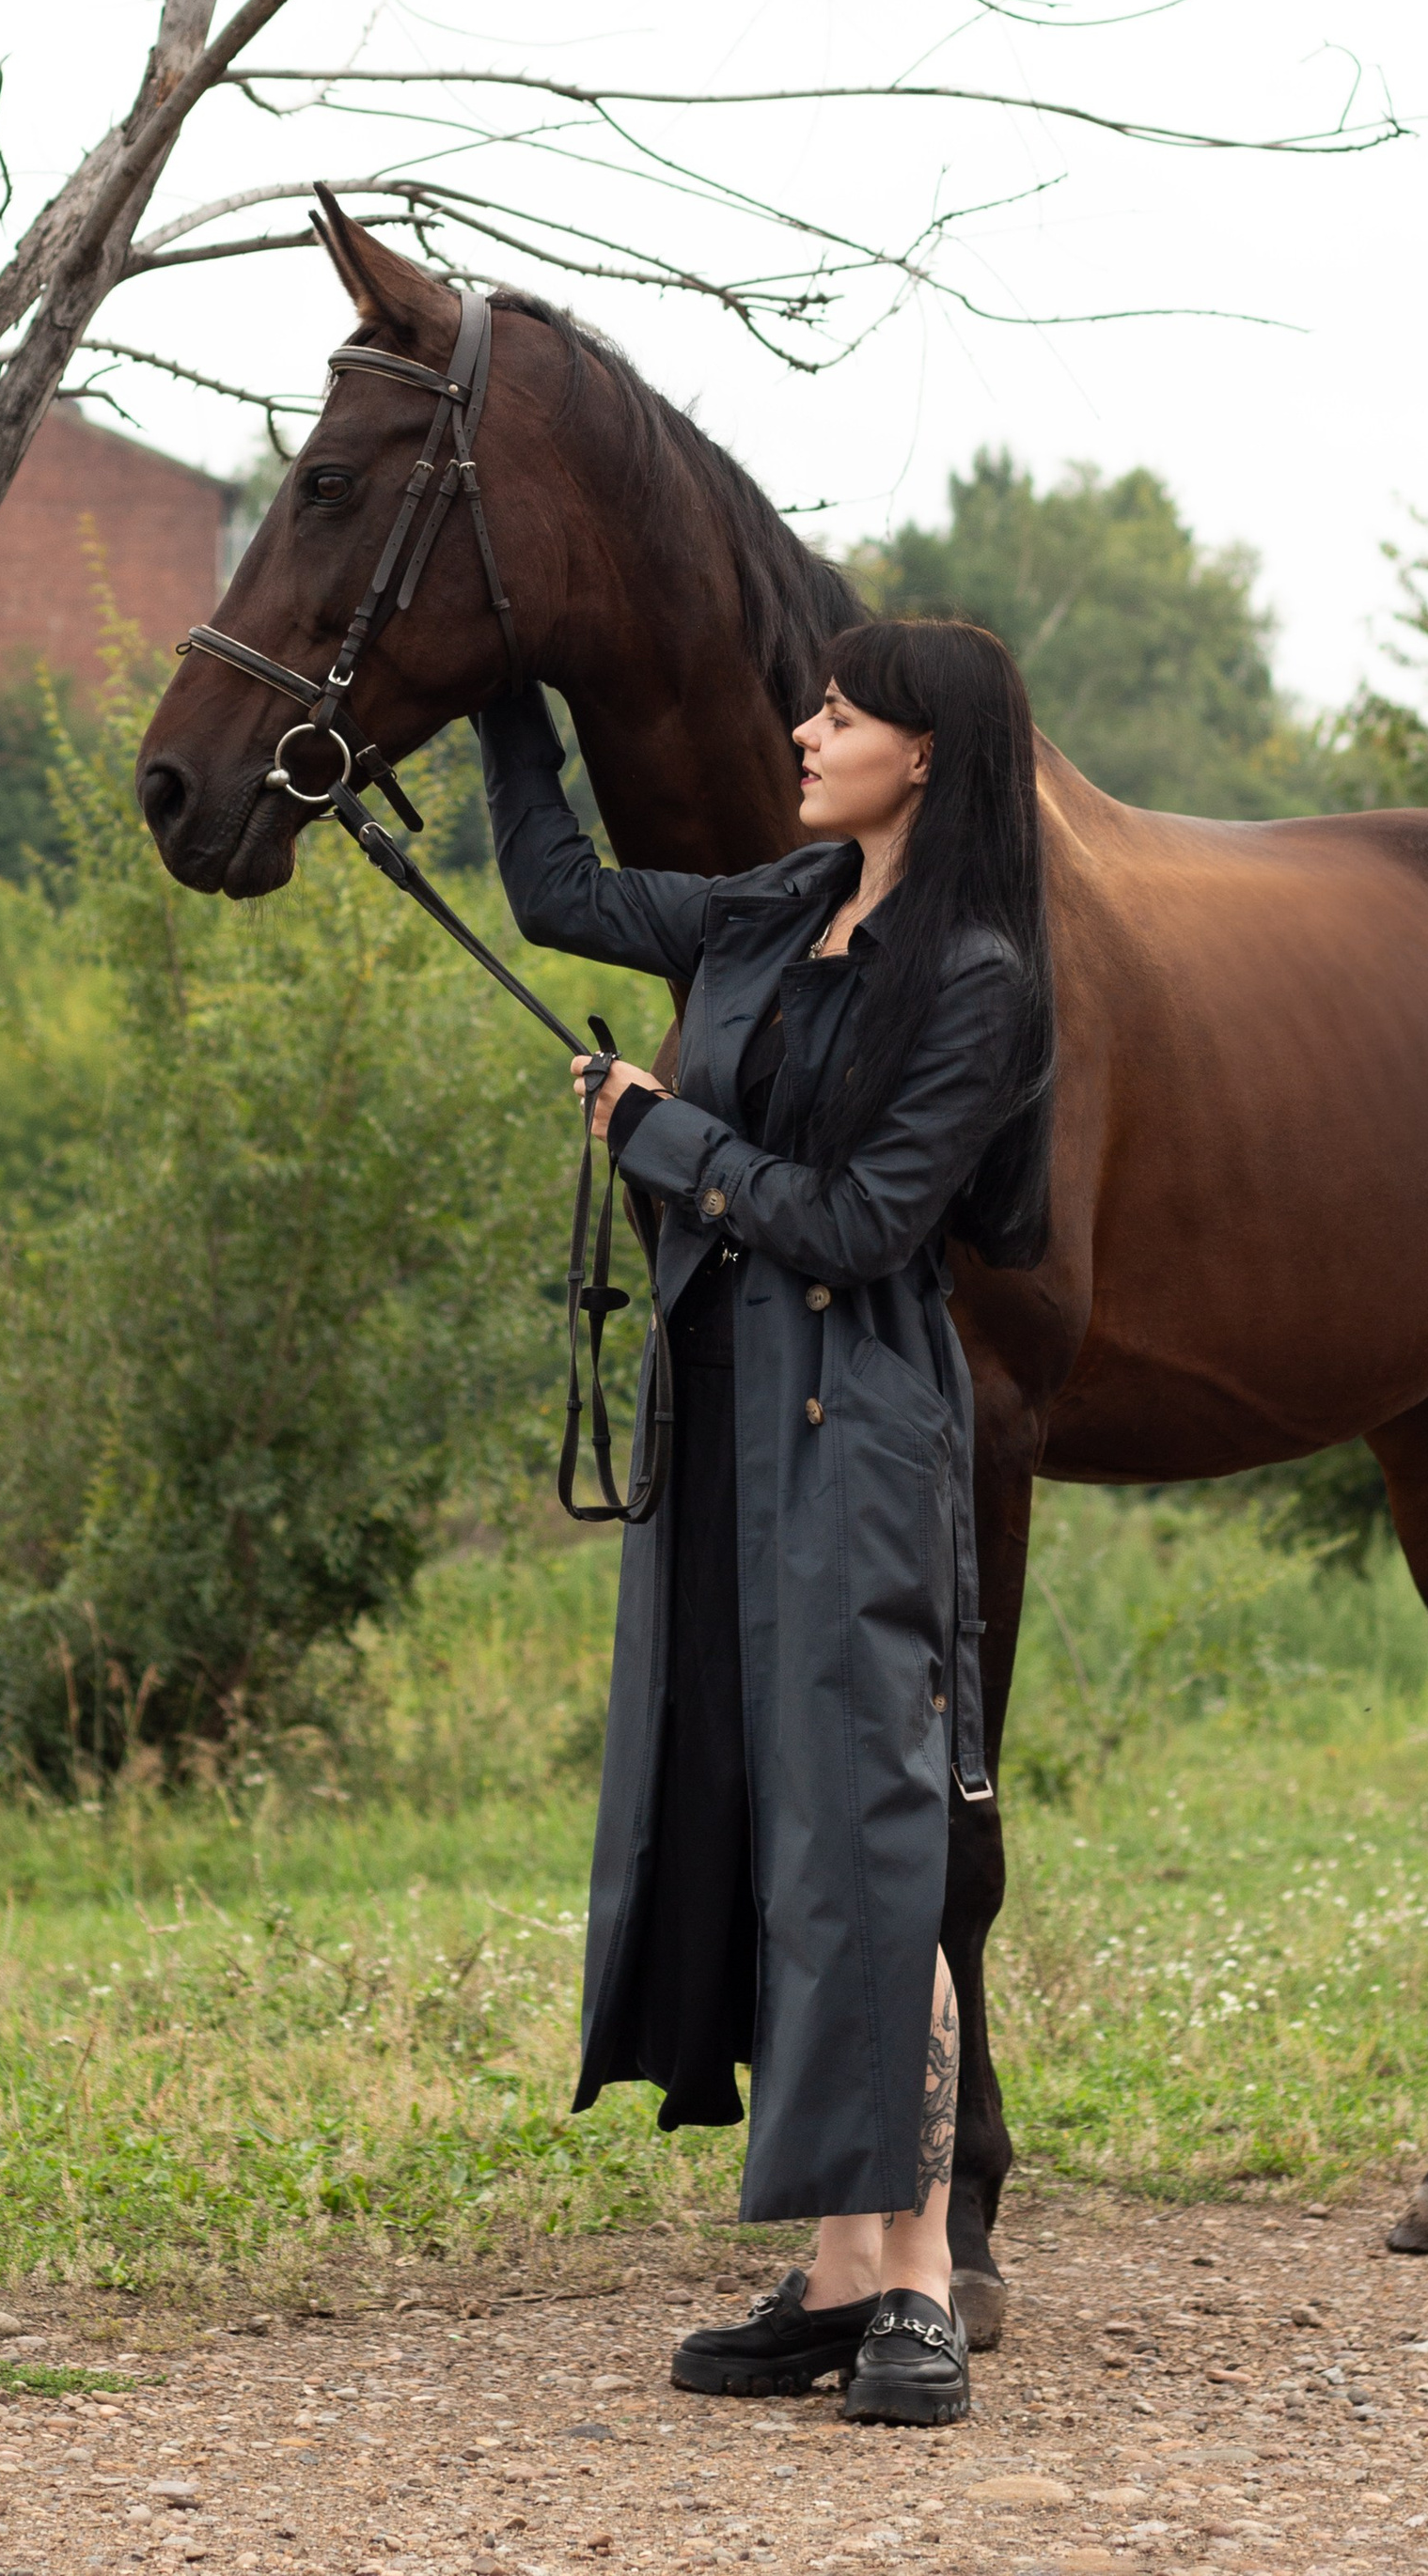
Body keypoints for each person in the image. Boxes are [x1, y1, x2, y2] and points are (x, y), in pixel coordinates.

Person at [476, 617, 1056, 2428]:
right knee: (762, 1816)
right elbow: (556, 886)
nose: (807, 729)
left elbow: (872, 1224)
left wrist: (660, 1136)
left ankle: (922, 2283)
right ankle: (831, 2272)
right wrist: (507, 684)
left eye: (842, 709)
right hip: (719, 1420)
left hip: (862, 1432)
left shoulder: (974, 978)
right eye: (814, 701)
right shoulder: (766, 907)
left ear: (930, 754)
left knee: (873, 1838)